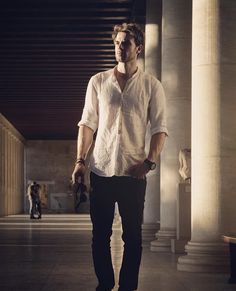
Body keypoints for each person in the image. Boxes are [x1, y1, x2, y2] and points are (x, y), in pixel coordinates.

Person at [72, 23, 168, 291]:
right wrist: (80, 161)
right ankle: (104, 285)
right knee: (99, 236)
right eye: (117, 43)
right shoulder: (98, 82)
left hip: (133, 173)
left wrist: (148, 163)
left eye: (125, 43)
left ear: (138, 47)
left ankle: (127, 287)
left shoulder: (152, 86)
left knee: (134, 238)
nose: (119, 47)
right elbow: (87, 124)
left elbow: (160, 128)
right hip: (101, 170)